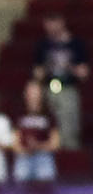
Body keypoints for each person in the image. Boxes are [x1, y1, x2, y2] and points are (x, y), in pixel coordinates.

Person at [33, 13, 89, 148]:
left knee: (69, 123)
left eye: (53, 22)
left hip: (68, 88)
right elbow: (37, 73)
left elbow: (84, 73)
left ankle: (69, 151)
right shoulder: (43, 45)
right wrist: (48, 65)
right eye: (47, 24)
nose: (50, 27)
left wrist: (68, 66)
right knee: (48, 122)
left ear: (61, 22)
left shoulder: (76, 44)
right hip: (48, 88)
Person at [14, 80, 59, 182]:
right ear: (25, 94)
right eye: (30, 92)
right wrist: (26, 148)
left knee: (45, 186)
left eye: (36, 92)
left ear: (41, 94)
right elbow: (15, 142)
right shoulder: (19, 113)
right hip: (24, 158)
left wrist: (38, 146)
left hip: (44, 158)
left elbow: (55, 143)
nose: (33, 96)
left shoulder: (49, 115)